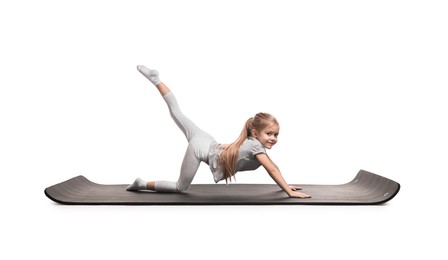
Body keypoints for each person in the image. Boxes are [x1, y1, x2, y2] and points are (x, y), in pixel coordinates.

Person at [126, 65, 311, 198]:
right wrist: (288, 191)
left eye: (276, 134)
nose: (273, 138)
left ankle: (156, 79)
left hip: (206, 140)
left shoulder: (249, 141)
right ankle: (141, 183)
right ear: (255, 133)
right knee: (180, 187)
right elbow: (272, 169)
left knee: (177, 113)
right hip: (201, 148)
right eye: (269, 134)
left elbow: (272, 166)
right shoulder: (256, 147)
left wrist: (286, 185)